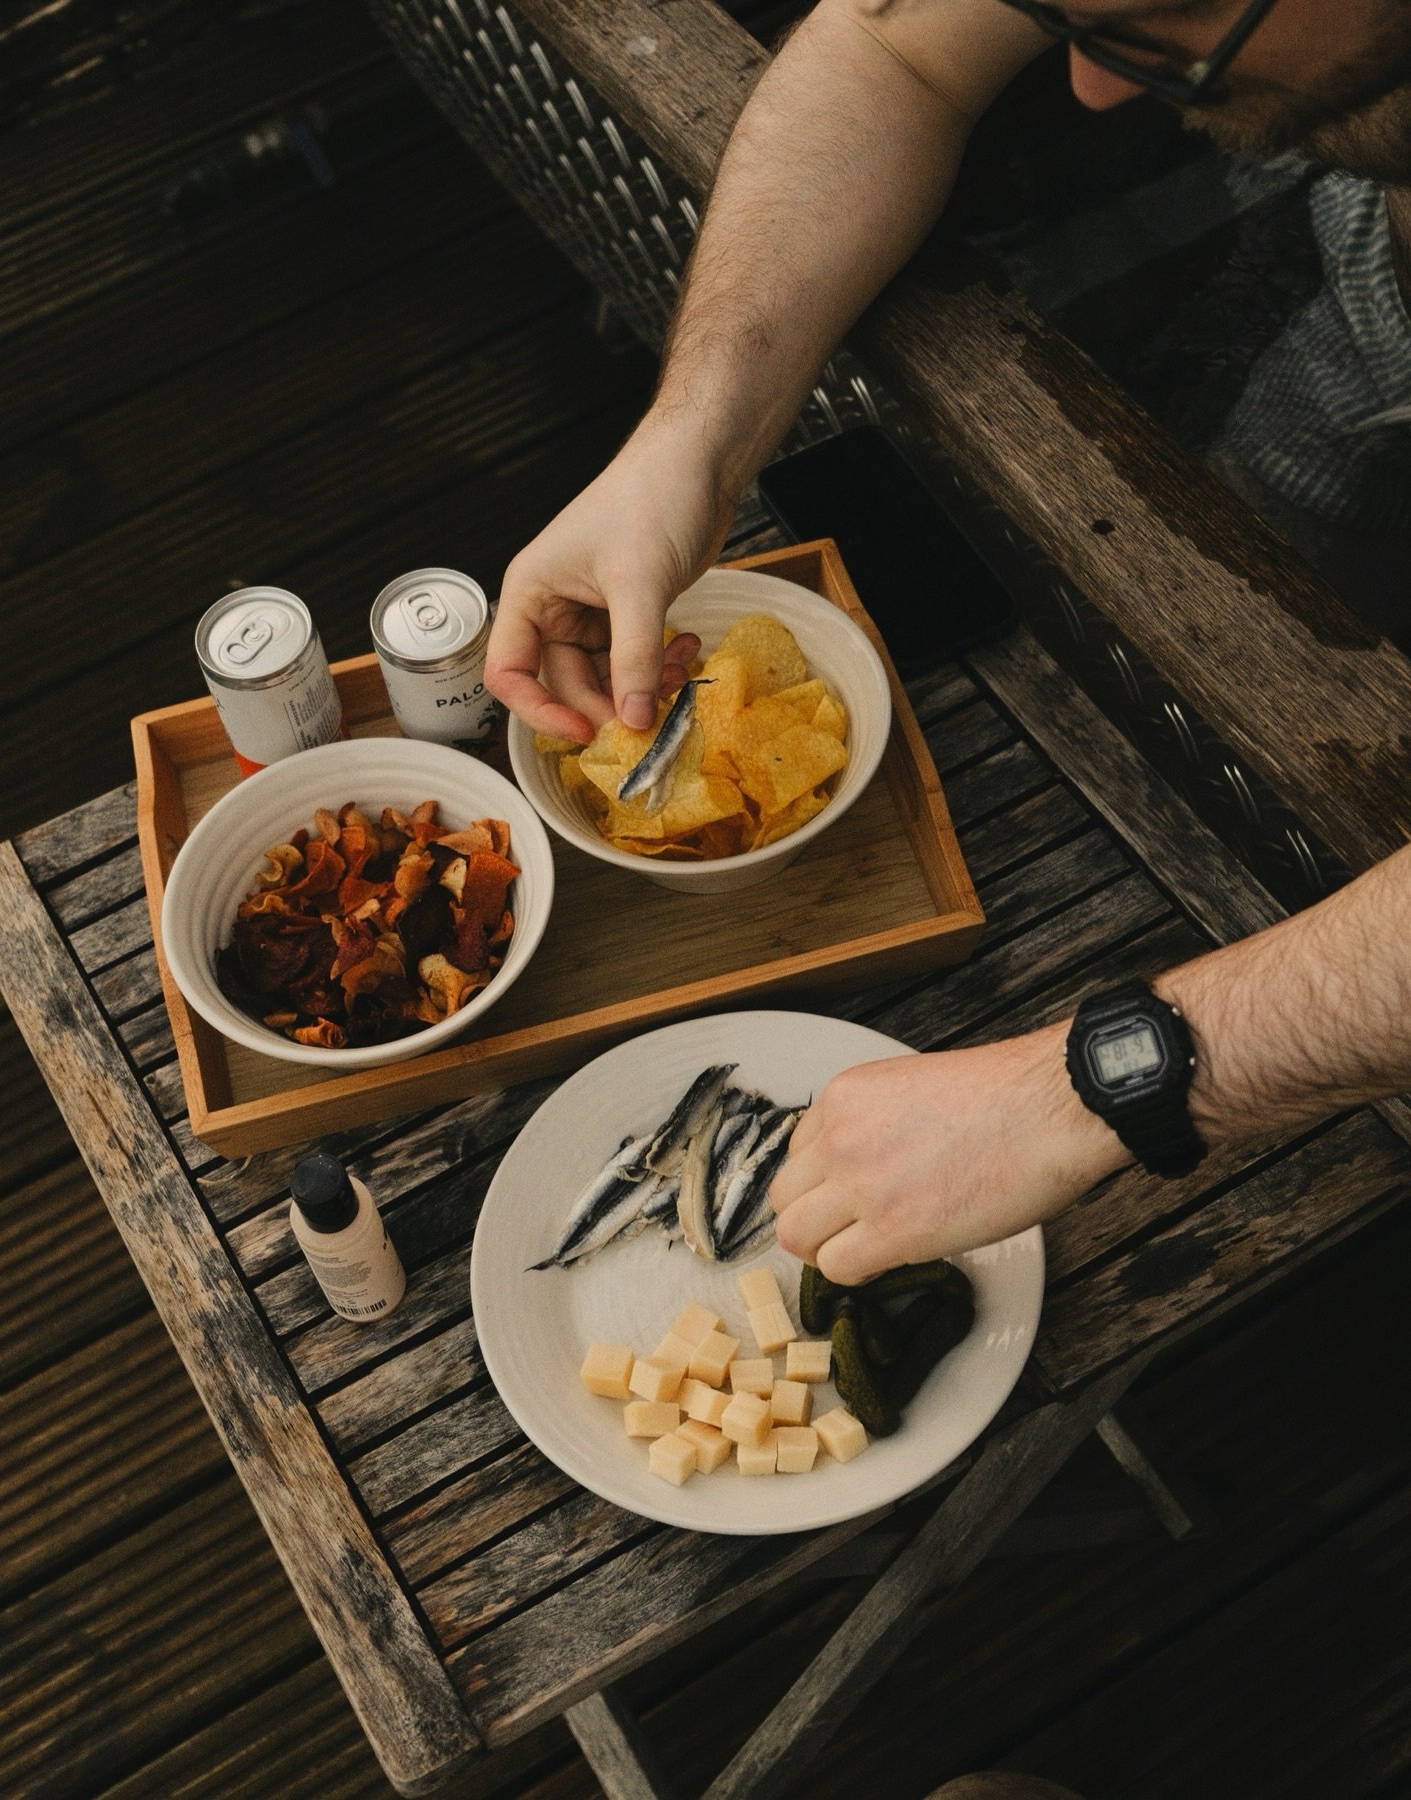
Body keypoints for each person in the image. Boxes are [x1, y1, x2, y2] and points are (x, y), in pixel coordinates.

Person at [484, 0, 1411, 1287]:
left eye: (1162, 20)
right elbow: (894, 49)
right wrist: (691, 436)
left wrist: (1097, 1081)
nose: (1086, 85)